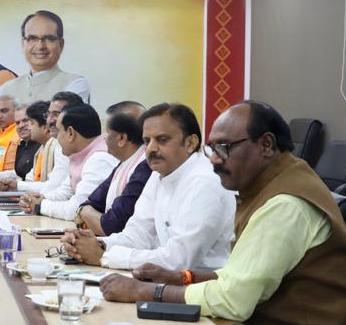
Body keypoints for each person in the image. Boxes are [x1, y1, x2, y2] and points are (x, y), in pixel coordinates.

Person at [98, 101, 346, 325]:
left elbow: (233, 301)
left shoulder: (285, 205)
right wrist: (181, 278)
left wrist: (147, 292)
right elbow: (241, 274)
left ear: (265, 145)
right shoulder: (269, 186)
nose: (214, 160)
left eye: (224, 148)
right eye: (213, 149)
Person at [63, 103, 235, 271]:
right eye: (147, 141)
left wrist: (104, 256)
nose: (151, 148)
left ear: (190, 143)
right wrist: (93, 244)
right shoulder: (158, 174)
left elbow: (179, 260)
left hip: (195, 290)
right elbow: (138, 235)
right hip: (161, 281)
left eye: (162, 140)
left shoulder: (204, 182)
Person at [26, 104, 118, 220]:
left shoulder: (100, 160)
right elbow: (66, 192)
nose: (56, 138)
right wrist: (39, 198)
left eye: (58, 131)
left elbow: (76, 210)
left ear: (70, 133)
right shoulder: (80, 154)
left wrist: (40, 205)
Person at [77, 107, 151, 236]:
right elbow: (92, 201)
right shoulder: (123, 163)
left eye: (107, 132)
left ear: (122, 138)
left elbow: (111, 226)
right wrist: (85, 210)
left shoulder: (144, 167)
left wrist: (83, 211)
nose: (104, 138)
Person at [0, 10, 90, 105]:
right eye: (32, 38)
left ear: (61, 44)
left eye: (49, 38)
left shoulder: (75, 84)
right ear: (23, 44)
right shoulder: (5, 90)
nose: (40, 46)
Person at [13, 105, 40, 179]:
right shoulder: (21, 145)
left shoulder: (42, 145)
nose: (20, 126)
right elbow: (17, 174)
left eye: (25, 120)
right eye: (17, 123)